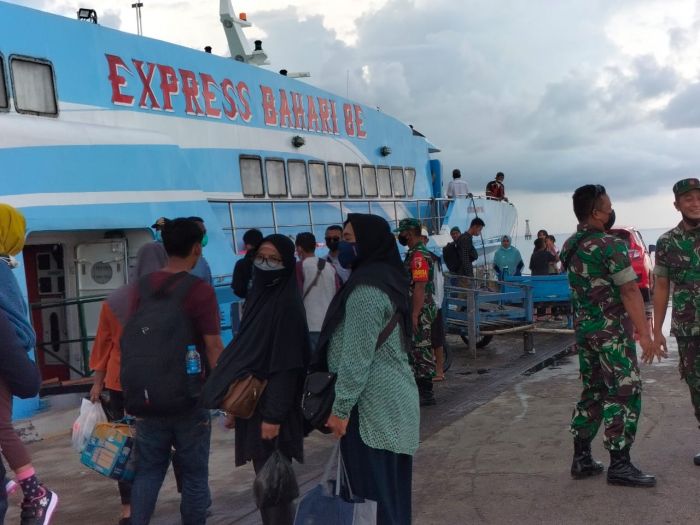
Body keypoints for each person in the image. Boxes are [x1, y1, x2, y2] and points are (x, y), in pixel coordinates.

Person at [202, 234, 309, 525]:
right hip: (253, 406)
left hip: (272, 411)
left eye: (274, 259)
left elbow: (287, 367)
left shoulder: (286, 306)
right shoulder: (258, 299)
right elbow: (245, 355)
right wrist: (235, 408)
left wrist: (273, 417)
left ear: (287, 264)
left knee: (274, 483)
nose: (265, 263)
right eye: (261, 256)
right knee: (268, 482)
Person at [322, 213, 418, 525]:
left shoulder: (365, 292)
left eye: (349, 240)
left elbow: (356, 358)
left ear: (368, 243)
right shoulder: (389, 279)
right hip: (396, 404)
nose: (342, 247)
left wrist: (340, 409)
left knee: (373, 508)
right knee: (392, 501)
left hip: (372, 412)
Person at [561, 184, 659, 487]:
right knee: (625, 391)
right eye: (607, 206)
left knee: (593, 391)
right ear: (596, 213)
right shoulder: (610, 245)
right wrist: (645, 334)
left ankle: (582, 457)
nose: (611, 210)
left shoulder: (570, 245)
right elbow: (630, 289)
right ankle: (620, 463)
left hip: (585, 333)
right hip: (611, 333)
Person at [128, 218, 224, 525]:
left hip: (147, 395)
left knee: (148, 471)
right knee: (195, 473)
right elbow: (213, 347)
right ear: (197, 248)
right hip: (189, 395)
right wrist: (222, 393)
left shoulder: (140, 288)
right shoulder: (199, 291)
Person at [89, 243, 168, 525]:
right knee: (166, 442)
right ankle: (188, 498)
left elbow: (103, 345)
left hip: (120, 384)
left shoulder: (114, 300)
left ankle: (128, 510)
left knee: (122, 445)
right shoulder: (171, 297)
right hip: (159, 384)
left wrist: (98, 383)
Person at [0, 203, 58, 525]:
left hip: (4, 359)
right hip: (8, 355)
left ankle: (35, 491)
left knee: (0, 426)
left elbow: (9, 320)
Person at [652, 178, 700, 466]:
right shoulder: (668, 242)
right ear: (677, 204)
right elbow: (661, 286)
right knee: (696, 385)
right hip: (688, 326)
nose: (695, 202)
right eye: (688, 198)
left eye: (698, 197)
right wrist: (655, 329)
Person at [396, 218, 438, 406]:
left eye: (402, 233)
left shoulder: (419, 256)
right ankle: (419, 390)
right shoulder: (413, 253)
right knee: (415, 349)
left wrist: (414, 313)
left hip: (419, 310)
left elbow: (420, 286)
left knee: (421, 348)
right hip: (416, 307)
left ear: (410, 233)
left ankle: (426, 393)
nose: (400, 236)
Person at [295, 232, 339, 355]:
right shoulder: (330, 267)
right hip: (329, 323)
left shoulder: (299, 267)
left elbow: (296, 295)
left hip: (310, 323)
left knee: (313, 362)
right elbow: (337, 293)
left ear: (299, 248)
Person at [421, 228, 447, 382]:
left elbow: (438, 283)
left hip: (432, 306)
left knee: (437, 340)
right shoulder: (414, 258)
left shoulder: (433, 259)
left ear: (426, 241)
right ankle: (429, 368)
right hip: (420, 307)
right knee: (424, 340)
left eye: (423, 238)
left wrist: (436, 305)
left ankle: (439, 370)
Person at [231, 228, 263, 301]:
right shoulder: (271, 260)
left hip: (252, 305)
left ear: (247, 245)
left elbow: (238, 290)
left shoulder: (241, 264)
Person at [188, 217, 213, 285]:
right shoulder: (188, 262)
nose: (204, 235)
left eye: (205, 232)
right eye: (202, 232)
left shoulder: (200, 259)